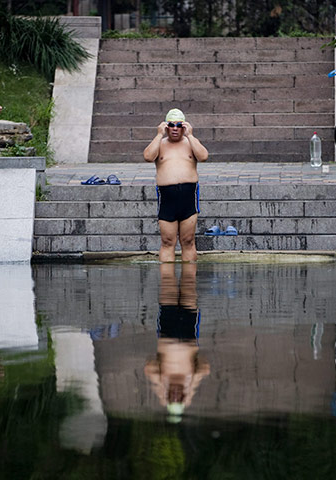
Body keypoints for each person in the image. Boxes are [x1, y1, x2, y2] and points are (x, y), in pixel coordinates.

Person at [144, 262, 210, 422]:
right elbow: (206, 368)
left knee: (168, 281)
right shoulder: (190, 378)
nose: (175, 394)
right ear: (184, 396)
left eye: (172, 397)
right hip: (188, 332)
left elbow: (148, 367)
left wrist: (160, 389)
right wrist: (191, 388)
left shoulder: (162, 378)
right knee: (189, 281)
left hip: (167, 331)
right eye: (178, 398)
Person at [143, 108, 209, 262]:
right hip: (167, 197)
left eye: (179, 125)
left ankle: (189, 283)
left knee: (188, 241)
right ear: (166, 127)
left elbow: (203, 156)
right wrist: (159, 134)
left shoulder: (190, 143)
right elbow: (148, 156)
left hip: (188, 196)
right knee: (167, 241)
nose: (175, 128)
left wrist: (190, 135)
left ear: (184, 127)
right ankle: (168, 284)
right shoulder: (160, 144)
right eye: (171, 125)